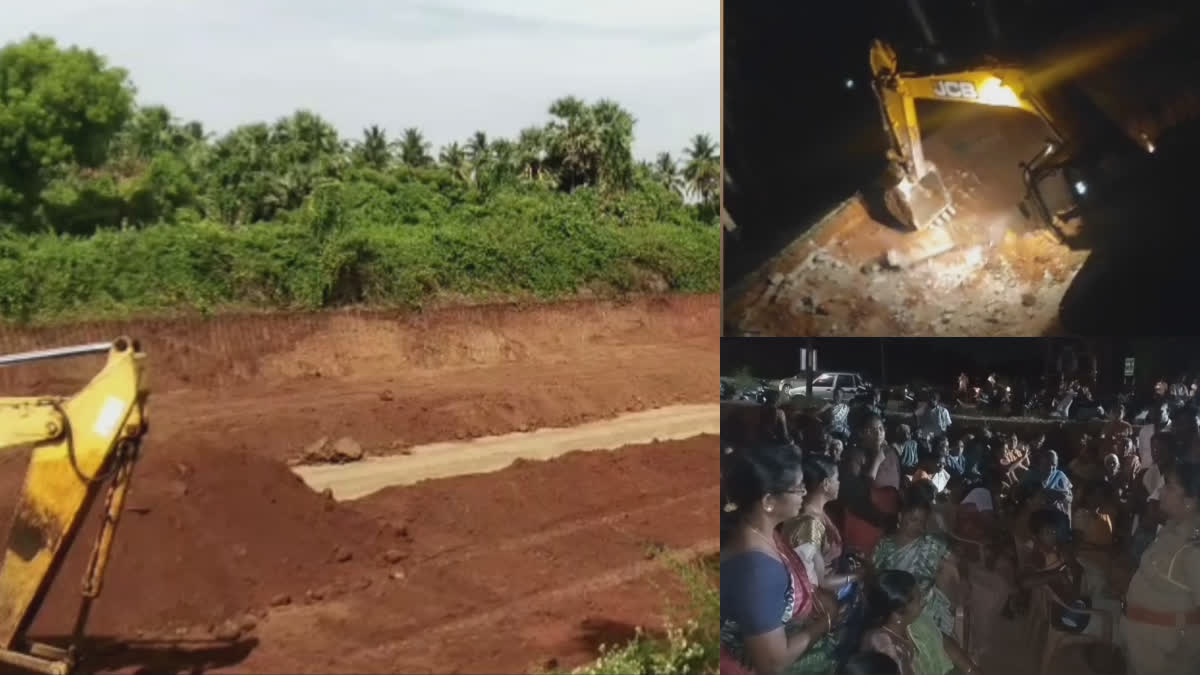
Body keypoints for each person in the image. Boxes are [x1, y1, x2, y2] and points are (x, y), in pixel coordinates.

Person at [720, 444, 841, 675]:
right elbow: (773, 664)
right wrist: (825, 622)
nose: (805, 493)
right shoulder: (758, 571)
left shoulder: (761, 532)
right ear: (768, 501)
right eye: (798, 488)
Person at [1118, 461, 1200, 675]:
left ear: (1190, 501)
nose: (1161, 490)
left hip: (1168, 656)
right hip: (1146, 644)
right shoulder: (1171, 528)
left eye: (1170, 487)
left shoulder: (1194, 547)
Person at [871, 483, 958, 637]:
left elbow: (953, 568)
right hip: (896, 608)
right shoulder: (884, 545)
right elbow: (876, 578)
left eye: (922, 522)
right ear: (900, 517)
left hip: (926, 607)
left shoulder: (934, 543)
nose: (918, 526)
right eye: (913, 520)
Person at [860, 570, 980, 675]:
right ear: (897, 615)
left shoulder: (914, 621)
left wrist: (970, 669)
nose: (923, 602)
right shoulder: (886, 649)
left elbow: (943, 641)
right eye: (918, 600)